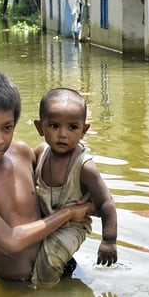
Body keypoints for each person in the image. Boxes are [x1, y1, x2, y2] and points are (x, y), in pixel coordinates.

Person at [0, 68, 92, 281]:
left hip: (64, 264)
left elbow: (58, 180)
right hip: (22, 286)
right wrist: (68, 213)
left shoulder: (22, 152)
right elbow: (10, 243)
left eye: (7, 127)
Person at [32, 87, 117, 285]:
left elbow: (106, 202)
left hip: (73, 225)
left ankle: (45, 294)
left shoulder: (85, 166)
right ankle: (67, 273)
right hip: (47, 219)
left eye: (72, 127)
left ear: (84, 130)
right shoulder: (40, 153)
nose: (63, 135)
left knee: (51, 257)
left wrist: (109, 240)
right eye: (54, 126)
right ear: (40, 127)